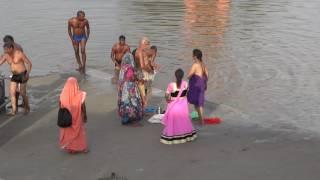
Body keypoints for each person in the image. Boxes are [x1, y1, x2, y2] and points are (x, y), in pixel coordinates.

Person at [160, 69, 197, 145]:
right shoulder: (186, 84)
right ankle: (186, 136)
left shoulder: (171, 85)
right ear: (182, 76)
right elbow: (187, 95)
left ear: (175, 75)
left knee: (172, 123)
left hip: (174, 107)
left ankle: (172, 137)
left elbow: (167, 96)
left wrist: (168, 100)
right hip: (183, 107)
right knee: (184, 122)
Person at [0, 43, 32, 115]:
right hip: (14, 76)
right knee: (12, 93)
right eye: (4, 50)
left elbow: (29, 63)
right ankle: (14, 111)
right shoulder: (6, 56)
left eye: (6, 50)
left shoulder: (19, 54)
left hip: (23, 75)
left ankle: (27, 107)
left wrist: (28, 73)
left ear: (11, 48)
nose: (5, 51)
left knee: (22, 93)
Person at [59, 77, 88, 154]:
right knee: (80, 132)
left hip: (67, 118)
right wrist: (85, 115)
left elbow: (60, 106)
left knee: (68, 132)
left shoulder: (63, 95)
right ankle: (82, 148)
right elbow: (83, 106)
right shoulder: (80, 95)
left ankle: (71, 148)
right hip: (78, 117)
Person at [118, 52, 143, 125]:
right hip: (130, 87)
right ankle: (132, 120)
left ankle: (125, 119)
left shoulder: (123, 68)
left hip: (123, 88)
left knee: (125, 102)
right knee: (132, 103)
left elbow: (121, 79)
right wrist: (137, 78)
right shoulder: (130, 68)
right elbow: (131, 77)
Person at [187, 49, 208, 125]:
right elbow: (207, 75)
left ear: (195, 56)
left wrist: (189, 76)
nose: (192, 56)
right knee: (198, 102)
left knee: (198, 103)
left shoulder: (195, 65)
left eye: (192, 55)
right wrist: (205, 84)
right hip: (202, 84)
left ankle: (201, 121)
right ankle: (200, 118)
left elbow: (189, 75)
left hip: (196, 85)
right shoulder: (203, 64)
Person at [3, 35, 24, 109]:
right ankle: (18, 103)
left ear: (10, 41)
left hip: (19, 72)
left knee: (17, 89)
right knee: (18, 89)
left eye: (6, 42)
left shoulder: (16, 48)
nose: (5, 44)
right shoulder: (15, 46)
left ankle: (16, 105)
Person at [134, 37, 153, 107]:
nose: (148, 47)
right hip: (141, 73)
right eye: (147, 45)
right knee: (143, 95)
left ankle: (142, 107)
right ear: (143, 44)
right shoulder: (139, 52)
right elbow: (142, 66)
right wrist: (150, 71)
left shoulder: (139, 51)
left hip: (140, 73)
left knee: (144, 92)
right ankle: (143, 107)